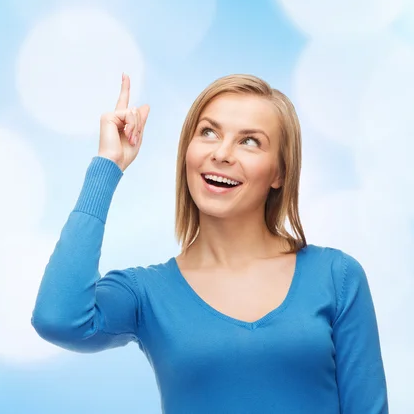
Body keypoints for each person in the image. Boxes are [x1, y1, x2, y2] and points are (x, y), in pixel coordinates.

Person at [31, 73, 389, 413]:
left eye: (250, 141)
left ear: (280, 172)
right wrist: (107, 165)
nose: (222, 153)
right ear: (187, 151)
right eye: (208, 132)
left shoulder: (336, 277)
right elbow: (58, 319)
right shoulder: (146, 293)